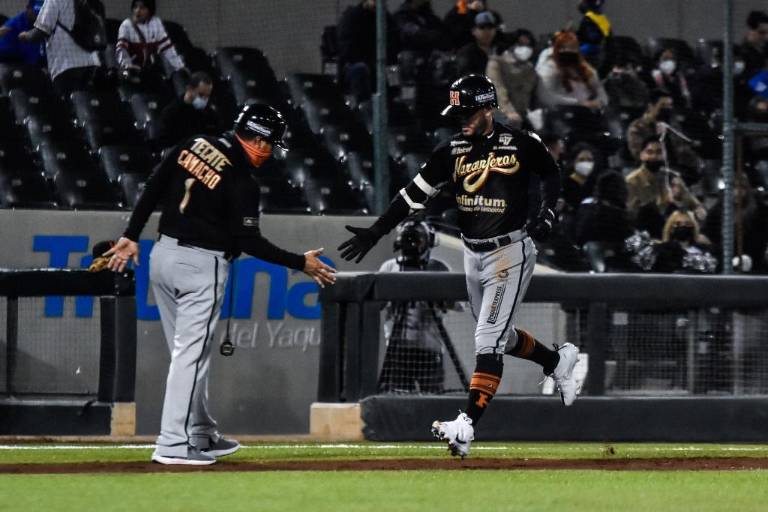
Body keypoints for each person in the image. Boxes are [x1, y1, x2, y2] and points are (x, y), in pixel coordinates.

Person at [337, 74, 580, 458]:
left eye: (467, 112)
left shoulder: (520, 142)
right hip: (472, 253)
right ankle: (557, 361)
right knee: (498, 337)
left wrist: (547, 212)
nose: (461, 120)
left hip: (510, 251)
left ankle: (465, 425)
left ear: (488, 108)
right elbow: (411, 196)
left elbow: (551, 171)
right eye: (457, 114)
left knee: (487, 339)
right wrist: (376, 230)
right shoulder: (450, 150)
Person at [104, 103, 337, 465]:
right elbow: (249, 242)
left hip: (162, 256)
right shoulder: (242, 181)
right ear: (258, 140)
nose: (269, 152)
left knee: (187, 355)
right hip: (200, 265)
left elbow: (153, 185)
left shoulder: (194, 143)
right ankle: (172, 444)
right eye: (269, 144)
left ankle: (201, 433)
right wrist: (300, 263)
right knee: (191, 356)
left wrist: (131, 234)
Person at [378, 219, 458, 394]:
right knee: (398, 398)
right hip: (398, 348)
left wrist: (439, 295)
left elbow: (459, 304)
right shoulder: (390, 267)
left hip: (430, 347)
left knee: (433, 399)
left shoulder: (438, 268)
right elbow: (377, 305)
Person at [19, 0, 104, 98]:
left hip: (66, 65)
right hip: (92, 62)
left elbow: (41, 31)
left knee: (68, 103)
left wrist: (25, 36)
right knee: (85, 102)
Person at [625, 137, 704, 221]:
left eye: (659, 152)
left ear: (665, 155)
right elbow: (631, 215)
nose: (654, 156)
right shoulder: (631, 181)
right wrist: (666, 201)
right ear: (642, 156)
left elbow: (694, 204)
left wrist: (698, 212)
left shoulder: (672, 176)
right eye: (650, 152)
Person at [626, 92, 701, 180]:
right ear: (651, 106)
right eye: (663, 105)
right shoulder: (637, 127)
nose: (667, 109)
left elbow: (681, 147)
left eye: (669, 105)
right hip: (655, 173)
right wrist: (658, 137)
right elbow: (640, 155)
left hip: (678, 169)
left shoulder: (672, 123)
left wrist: (694, 161)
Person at [337, 0, 398, 102]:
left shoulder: (386, 19)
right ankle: (364, 105)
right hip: (356, 64)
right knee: (361, 70)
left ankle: (394, 103)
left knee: (394, 73)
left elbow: (394, 43)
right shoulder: (352, 17)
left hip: (380, 64)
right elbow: (347, 49)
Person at [115, 0, 185, 90]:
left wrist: (180, 67)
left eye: (142, 8)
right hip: (132, 71)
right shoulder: (126, 25)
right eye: (135, 7)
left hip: (150, 71)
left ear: (150, 10)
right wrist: (128, 65)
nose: (137, 11)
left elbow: (167, 48)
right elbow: (121, 49)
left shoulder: (156, 23)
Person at [535, 30, 608, 110]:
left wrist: (600, 102)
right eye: (564, 48)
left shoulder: (586, 67)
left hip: (588, 112)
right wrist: (579, 103)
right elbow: (545, 97)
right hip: (560, 111)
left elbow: (600, 90)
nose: (568, 50)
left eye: (572, 47)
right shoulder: (549, 67)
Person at [485, 28, 538, 128]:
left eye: (528, 45)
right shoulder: (497, 64)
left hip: (523, 115)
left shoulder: (530, 69)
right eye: (521, 44)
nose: (525, 49)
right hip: (500, 114)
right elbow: (498, 89)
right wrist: (509, 112)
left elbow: (532, 95)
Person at [158, 71, 220, 150]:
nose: (205, 99)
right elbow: (165, 143)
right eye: (201, 95)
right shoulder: (171, 112)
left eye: (207, 96)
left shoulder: (209, 112)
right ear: (189, 89)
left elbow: (216, 135)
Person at [649, 210, 717, 274]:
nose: (683, 226)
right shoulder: (662, 250)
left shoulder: (704, 250)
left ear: (693, 227)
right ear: (671, 228)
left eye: (687, 224)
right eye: (678, 224)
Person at [0, 0, 44, 65]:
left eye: (40, 14)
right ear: (28, 9)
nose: (37, 17)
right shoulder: (14, 25)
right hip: (15, 63)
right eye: (35, 13)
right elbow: (4, 53)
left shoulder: (47, 24)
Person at [456, 11, 497, 77]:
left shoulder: (500, 50)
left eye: (490, 27)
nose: (487, 31)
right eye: (482, 27)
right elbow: (465, 76)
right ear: (473, 31)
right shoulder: (467, 53)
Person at [575, 0, 611, 69]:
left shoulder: (593, 19)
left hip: (592, 49)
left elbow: (591, 37)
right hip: (593, 48)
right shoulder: (596, 18)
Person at [742, 11, 768, 80]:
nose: (766, 37)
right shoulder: (742, 54)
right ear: (750, 31)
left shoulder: (765, 49)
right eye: (762, 33)